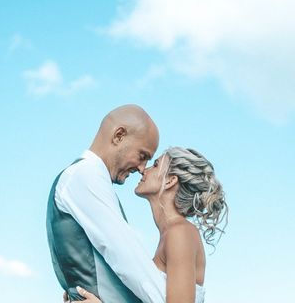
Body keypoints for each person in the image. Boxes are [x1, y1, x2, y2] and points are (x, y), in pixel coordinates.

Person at [66, 147, 228, 303]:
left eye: (155, 165)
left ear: (170, 181)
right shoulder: (172, 234)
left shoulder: (180, 233)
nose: (144, 170)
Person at [46, 104, 167, 303]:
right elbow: (128, 259)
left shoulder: (86, 177)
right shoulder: (86, 175)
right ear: (119, 135)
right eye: (142, 156)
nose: (142, 168)